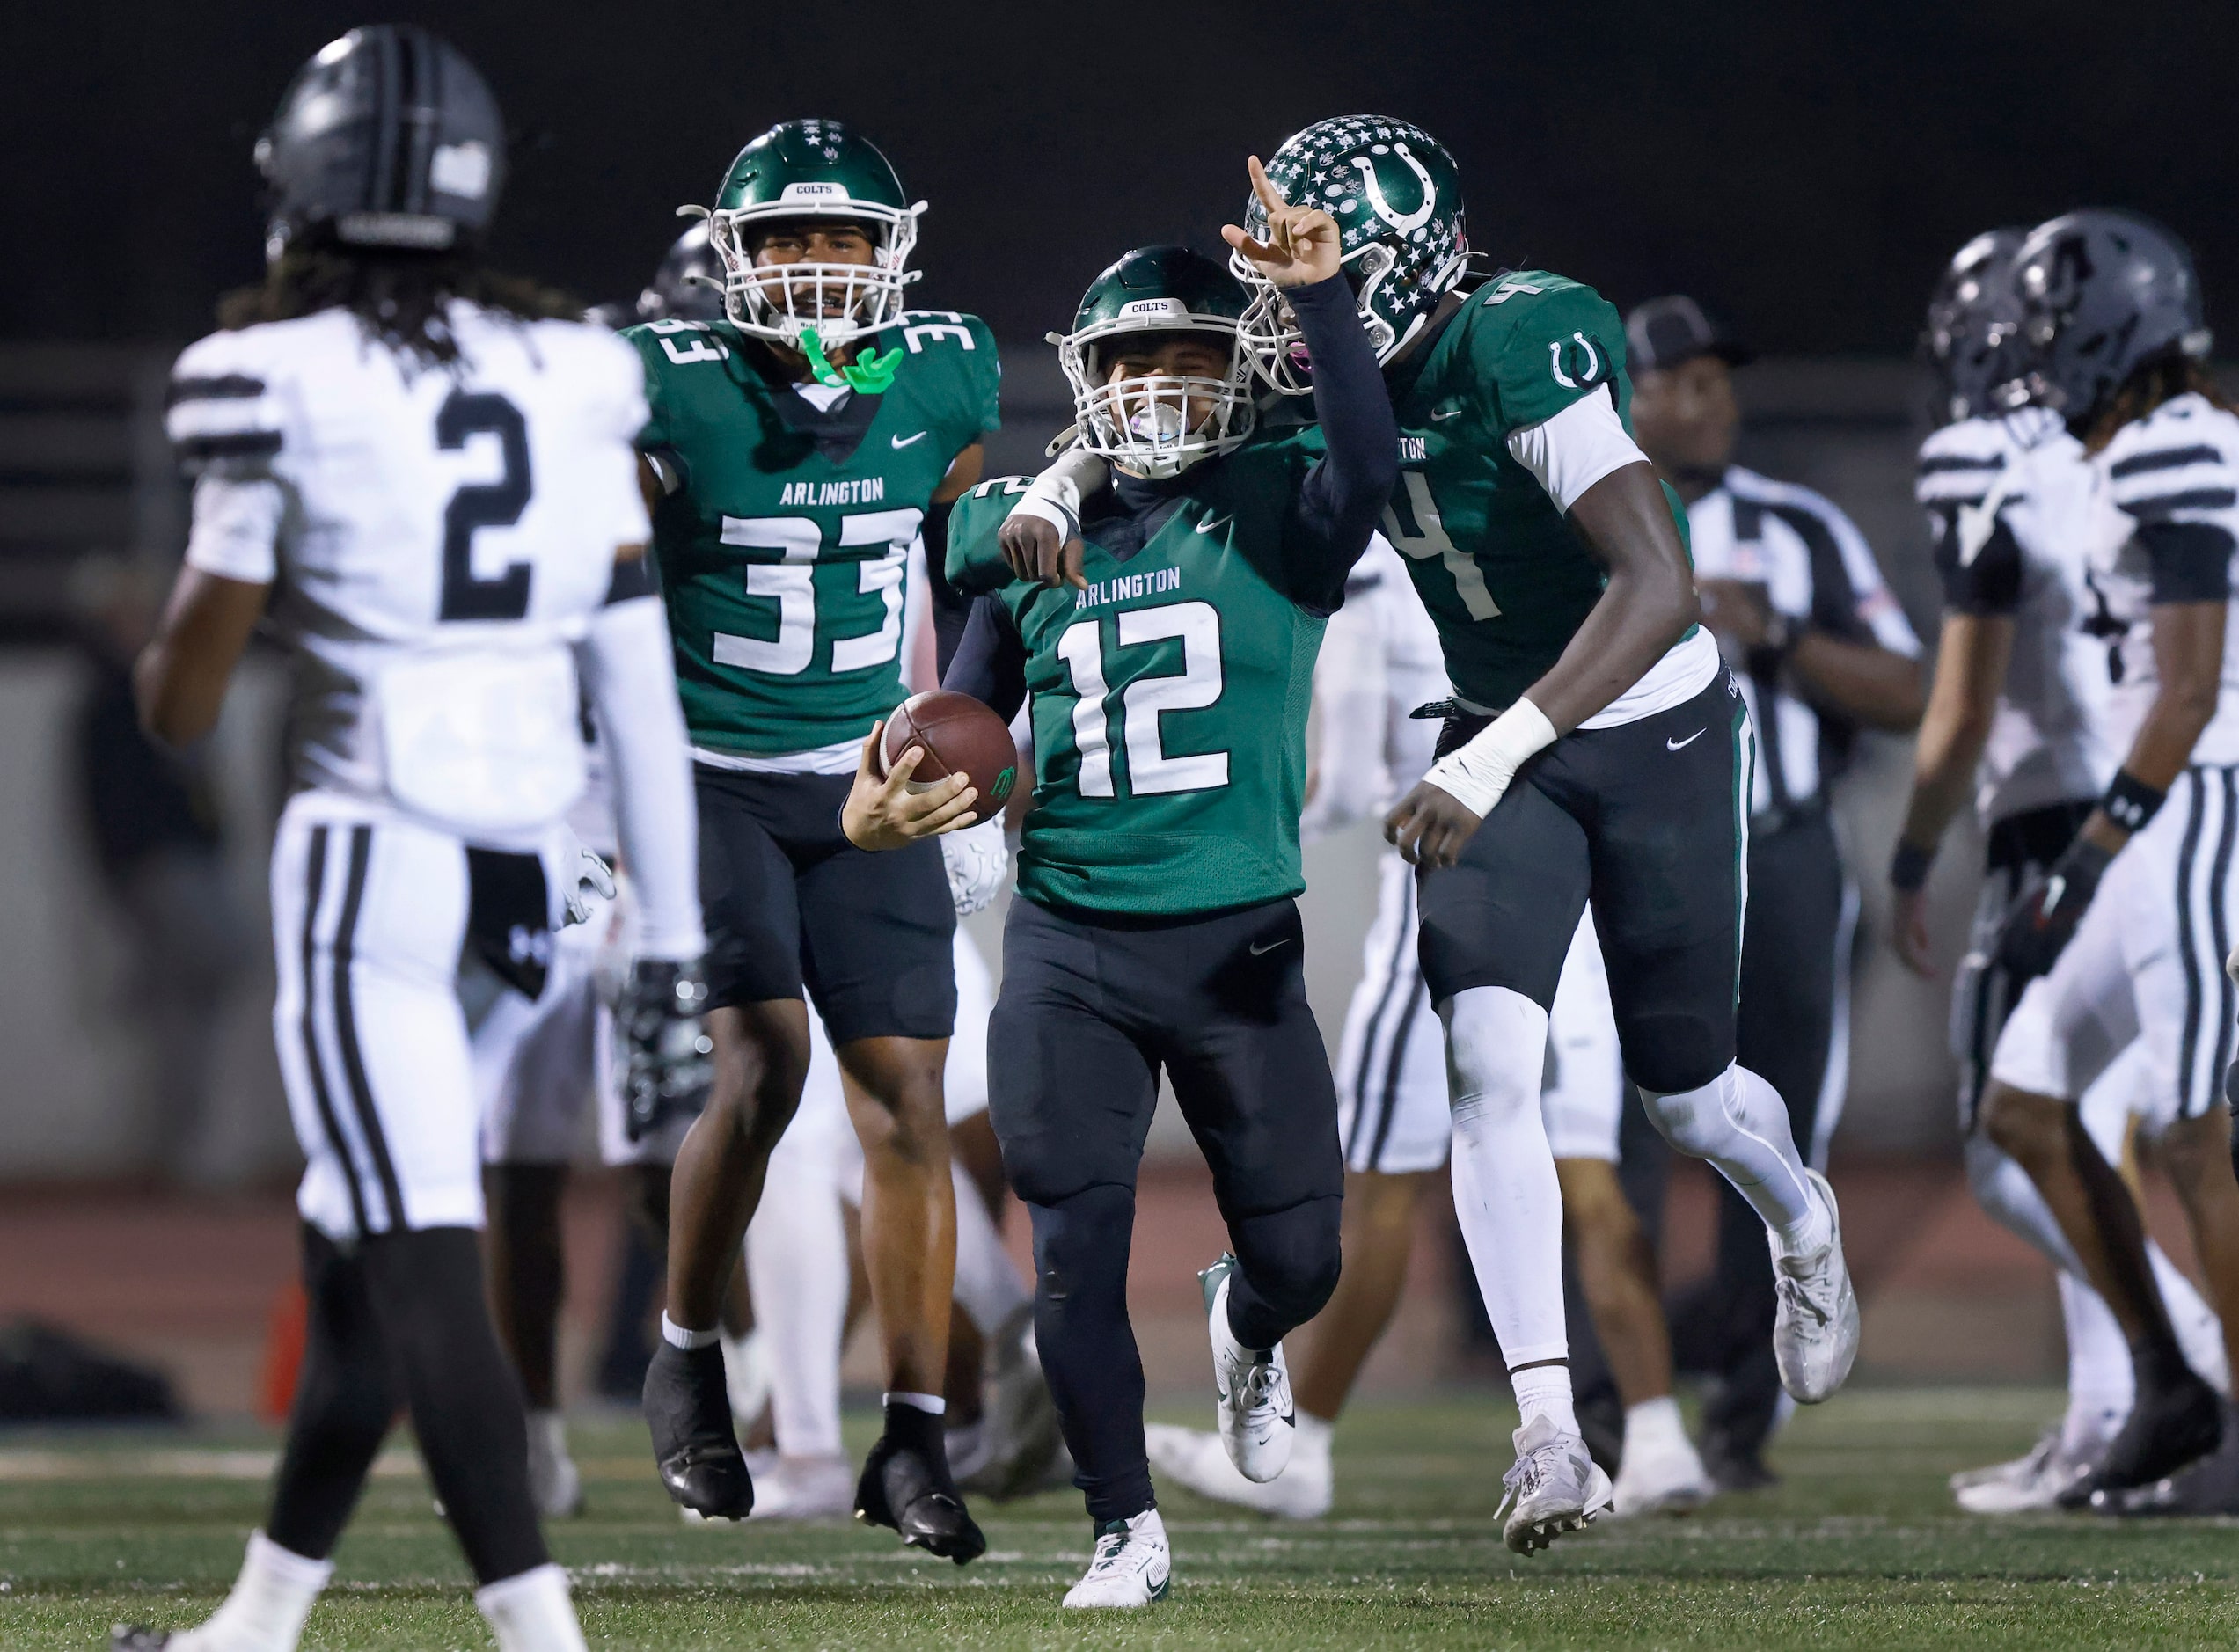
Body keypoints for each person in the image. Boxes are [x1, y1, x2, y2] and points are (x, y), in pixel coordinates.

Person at [113, 26, 706, 1652]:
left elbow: (182, 693)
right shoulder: (579, 367)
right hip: (538, 887)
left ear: (297, 180)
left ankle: (541, 1633)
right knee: (362, 1240)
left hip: (378, 864)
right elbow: (634, 688)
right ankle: (259, 1615)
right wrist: (668, 950)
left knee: (418, 1250)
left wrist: (236, 579)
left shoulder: (268, 370)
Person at [1228, 114, 1860, 1552]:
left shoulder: (1526, 331)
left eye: (1334, 267)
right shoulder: (1337, 368)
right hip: (1491, 730)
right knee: (1486, 1064)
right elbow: (1185, 429)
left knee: (1688, 1102)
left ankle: (1798, 1217)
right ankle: (1549, 1431)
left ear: (1420, 256)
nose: (1294, 303)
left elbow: (1657, 586)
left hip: (1650, 727)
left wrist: (1496, 750)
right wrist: (1073, 485)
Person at [848, 193, 1396, 1606]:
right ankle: (1122, 1527)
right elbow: (949, 729)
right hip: (1072, 945)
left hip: (1239, 945)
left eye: (1190, 356)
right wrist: (887, 797)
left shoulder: (1280, 500)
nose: (1161, 383)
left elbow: (1368, 456)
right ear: (1087, 375)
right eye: (1132, 358)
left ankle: (1245, 1322)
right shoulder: (1027, 541)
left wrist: (1324, 300)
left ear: (1242, 368)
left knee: (1302, 1255)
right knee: (1072, 1250)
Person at [1144, 536, 1716, 1519]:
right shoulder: (1533, 540)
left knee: (1384, 1203)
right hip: (1565, 893)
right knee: (1587, 1181)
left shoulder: (1372, 558)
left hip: (1453, 903)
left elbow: (1347, 779)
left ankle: (1311, 1445)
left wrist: (1219, 818)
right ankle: (1660, 1438)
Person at [627, 119, 1001, 1560]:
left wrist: (962, 733)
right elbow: (592, 583)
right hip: (713, 773)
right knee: (765, 1060)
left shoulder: (947, 372)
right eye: (786, 239)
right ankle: (684, 1349)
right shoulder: (671, 388)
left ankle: (911, 1433)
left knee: (907, 1098)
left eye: (845, 238)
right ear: (731, 256)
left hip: (871, 773)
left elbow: (974, 569)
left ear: (892, 251)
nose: (818, 266)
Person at [1889, 227, 2228, 1512]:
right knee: (2045, 1108)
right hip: (2148, 797)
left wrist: (1979, 855)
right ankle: (2146, 1391)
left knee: (2167, 1136)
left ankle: (2189, 1377)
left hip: (2150, 807)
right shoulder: (2113, 449)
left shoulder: (2156, 442)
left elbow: (2172, 689)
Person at [1624, 295, 1925, 1485]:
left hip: (1785, 854)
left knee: (1779, 1123)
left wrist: (1781, 637)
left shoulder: (1798, 527)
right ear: (1622, 399)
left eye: (1714, 381)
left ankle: (1748, 1410)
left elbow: (1907, 689)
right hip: (1635, 859)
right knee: (1610, 1130)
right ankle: (1623, 1407)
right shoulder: (1574, 521)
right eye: (1674, 383)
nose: (1703, 405)